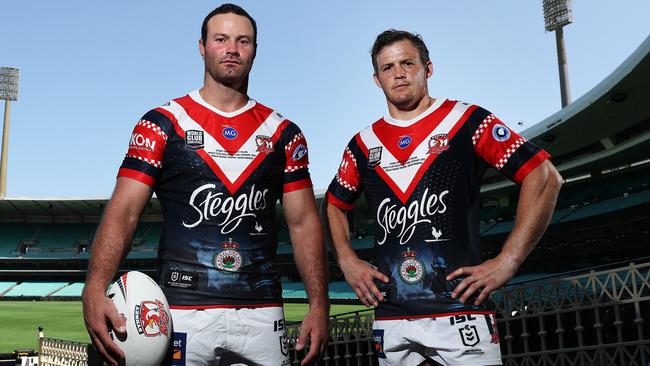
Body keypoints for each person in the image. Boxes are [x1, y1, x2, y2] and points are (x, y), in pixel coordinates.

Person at [82, 4, 329, 366]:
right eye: (221, 39)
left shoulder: (284, 134)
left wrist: (319, 305)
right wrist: (94, 287)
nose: (232, 48)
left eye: (243, 41)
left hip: (262, 313)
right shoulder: (162, 123)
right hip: (181, 313)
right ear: (202, 47)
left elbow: (304, 222)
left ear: (255, 51)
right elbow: (123, 212)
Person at [324, 29, 562, 365]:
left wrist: (508, 261)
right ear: (376, 79)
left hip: (461, 310)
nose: (399, 73)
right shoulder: (362, 144)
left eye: (407, 63)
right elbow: (333, 204)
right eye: (388, 67)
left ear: (428, 68)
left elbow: (545, 176)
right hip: (391, 317)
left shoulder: (467, 120)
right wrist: (347, 260)